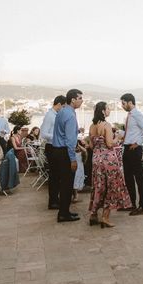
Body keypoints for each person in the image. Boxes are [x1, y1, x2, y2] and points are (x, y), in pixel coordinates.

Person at [89, 101, 132, 227]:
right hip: (108, 160)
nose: (109, 110)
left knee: (98, 187)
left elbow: (91, 145)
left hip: (96, 160)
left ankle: (93, 215)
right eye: (108, 108)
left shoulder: (92, 126)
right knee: (111, 186)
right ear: (103, 111)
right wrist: (117, 138)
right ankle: (105, 217)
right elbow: (109, 143)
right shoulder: (106, 125)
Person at [52, 88, 84, 222]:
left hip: (56, 151)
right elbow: (70, 141)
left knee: (63, 183)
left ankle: (64, 211)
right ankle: (64, 213)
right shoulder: (70, 115)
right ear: (73, 100)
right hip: (65, 152)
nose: (82, 101)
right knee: (67, 184)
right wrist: (73, 159)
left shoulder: (61, 112)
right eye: (80, 98)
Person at [121, 93, 143, 216]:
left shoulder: (137, 114)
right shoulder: (130, 115)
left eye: (123, 103)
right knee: (128, 177)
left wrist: (138, 142)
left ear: (130, 102)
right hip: (127, 149)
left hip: (134, 149)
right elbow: (132, 132)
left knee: (139, 178)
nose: (122, 106)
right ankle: (131, 204)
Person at [41, 95, 67, 210]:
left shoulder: (56, 115)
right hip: (51, 147)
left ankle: (56, 199)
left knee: (57, 176)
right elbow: (43, 133)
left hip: (56, 146)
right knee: (54, 176)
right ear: (60, 104)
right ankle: (53, 201)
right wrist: (59, 136)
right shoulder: (49, 115)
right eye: (64, 106)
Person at [73, 139, 87, 203]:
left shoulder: (82, 153)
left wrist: (79, 145)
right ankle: (75, 196)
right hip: (74, 169)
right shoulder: (73, 152)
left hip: (80, 169)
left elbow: (85, 150)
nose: (77, 147)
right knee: (74, 182)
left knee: (77, 182)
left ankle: (75, 196)